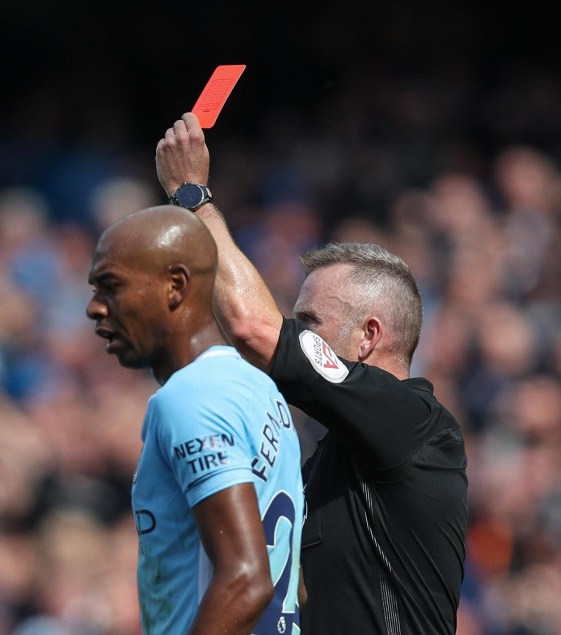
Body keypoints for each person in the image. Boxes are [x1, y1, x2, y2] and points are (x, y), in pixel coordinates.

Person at [156, 112, 468, 634]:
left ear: (369, 335)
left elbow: (254, 328)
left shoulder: (416, 423)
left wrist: (192, 195)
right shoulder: (331, 461)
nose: (294, 334)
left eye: (309, 323)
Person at [86, 206, 304, 634]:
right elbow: (297, 583)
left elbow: (245, 577)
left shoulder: (190, 397)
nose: (94, 308)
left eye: (111, 287)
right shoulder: (259, 389)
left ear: (175, 285)